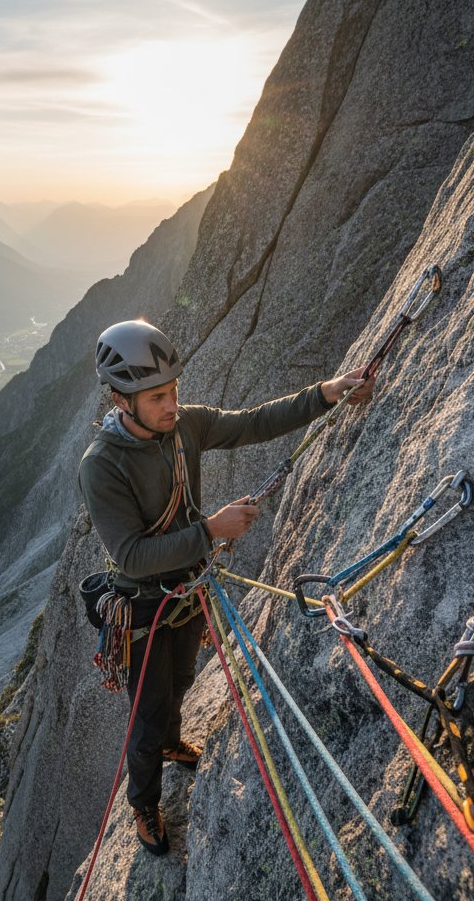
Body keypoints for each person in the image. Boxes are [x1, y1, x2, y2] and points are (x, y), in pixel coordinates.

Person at [78, 319, 375, 855]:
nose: (171, 405)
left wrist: (326, 393)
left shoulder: (184, 426)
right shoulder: (102, 466)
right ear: (122, 400)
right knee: (145, 716)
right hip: (143, 607)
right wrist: (210, 530)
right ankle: (144, 803)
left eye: (173, 391)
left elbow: (251, 424)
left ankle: (172, 742)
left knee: (184, 678)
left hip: (188, 591)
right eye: (157, 397)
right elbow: (132, 557)